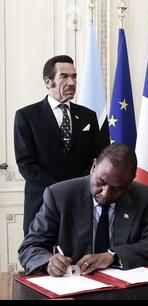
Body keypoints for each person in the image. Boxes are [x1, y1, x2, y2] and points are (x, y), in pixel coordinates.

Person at [18, 143, 148, 276]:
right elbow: (29, 247)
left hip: (122, 287)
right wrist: (48, 262)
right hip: (74, 285)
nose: (105, 194)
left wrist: (112, 256)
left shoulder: (143, 197)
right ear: (93, 166)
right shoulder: (60, 195)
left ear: (130, 182)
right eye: (100, 182)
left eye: (116, 189)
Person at [14, 55, 108, 236]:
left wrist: (77, 189)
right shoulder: (26, 116)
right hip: (41, 203)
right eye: (64, 76)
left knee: (80, 260)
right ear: (48, 82)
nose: (72, 82)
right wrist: (59, 191)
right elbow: (26, 165)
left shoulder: (88, 116)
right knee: (42, 260)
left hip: (80, 202)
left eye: (74, 76)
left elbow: (98, 158)